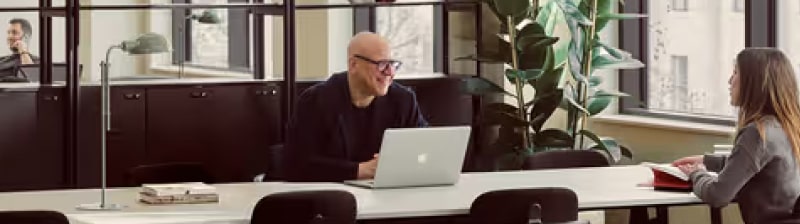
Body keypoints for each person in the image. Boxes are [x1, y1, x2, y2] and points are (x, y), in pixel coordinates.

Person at [673, 48, 800, 223]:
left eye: (735, 73)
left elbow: (718, 195)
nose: (729, 80)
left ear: (753, 83)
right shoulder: (788, 126)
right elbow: (760, 166)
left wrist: (697, 174)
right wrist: (707, 160)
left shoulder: (757, 133)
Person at [283, 32, 428, 182]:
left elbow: (425, 148)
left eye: (393, 64)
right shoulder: (315, 101)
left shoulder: (404, 100)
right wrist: (361, 170)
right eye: (381, 64)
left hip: (388, 194)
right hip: (331, 196)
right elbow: (296, 165)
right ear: (353, 65)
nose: (390, 72)